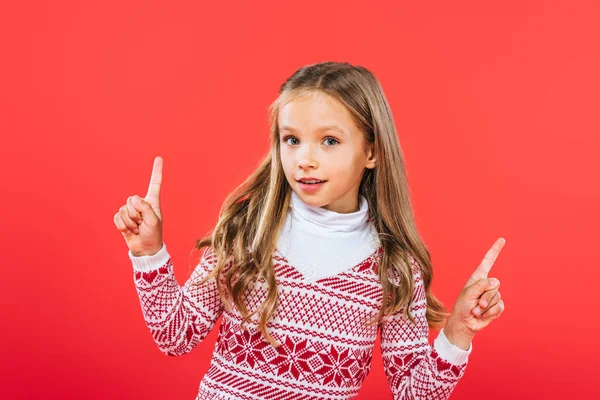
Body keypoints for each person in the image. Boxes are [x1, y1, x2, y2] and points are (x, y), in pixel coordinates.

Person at [113, 61, 506, 400]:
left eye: (329, 141)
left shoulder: (393, 268)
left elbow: (413, 393)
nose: (305, 159)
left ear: (371, 151)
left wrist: (457, 332)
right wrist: (149, 252)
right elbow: (175, 335)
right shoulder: (246, 234)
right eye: (292, 140)